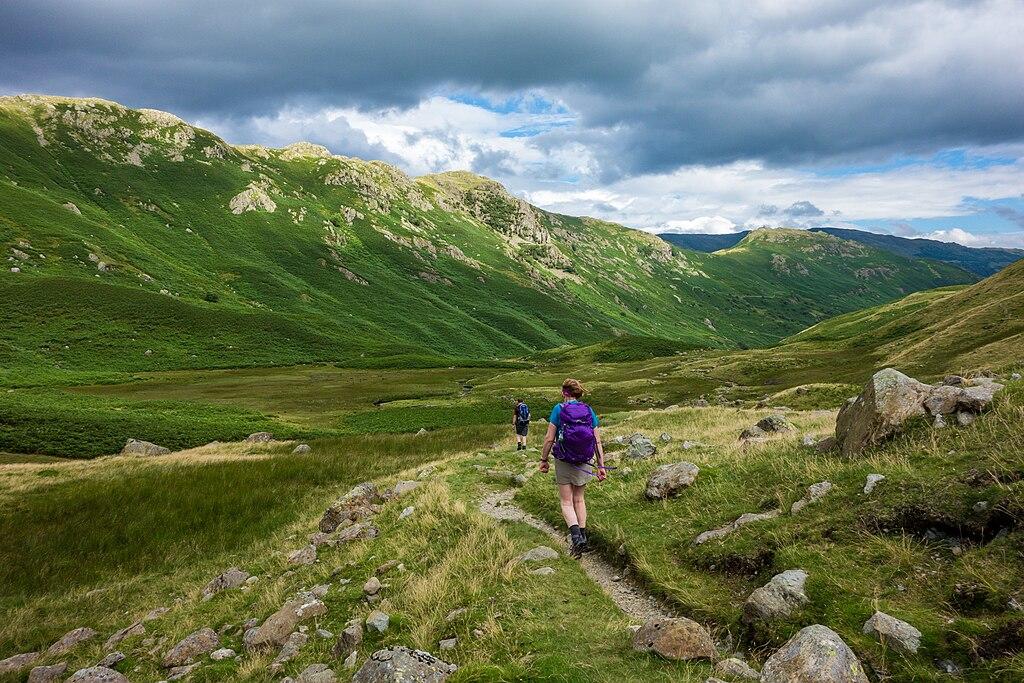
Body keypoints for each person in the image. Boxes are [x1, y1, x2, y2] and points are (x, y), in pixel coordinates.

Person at [539, 378, 606, 557]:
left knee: (566, 501)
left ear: (564, 393)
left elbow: (549, 439)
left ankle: (576, 538)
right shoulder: (588, 410)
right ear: (578, 393)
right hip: (584, 460)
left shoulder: (558, 409)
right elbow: (597, 440)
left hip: (564, 460)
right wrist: (601, 466)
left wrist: (543, 459)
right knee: (579, 499)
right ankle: (582, 537)